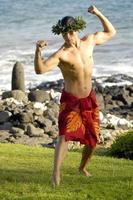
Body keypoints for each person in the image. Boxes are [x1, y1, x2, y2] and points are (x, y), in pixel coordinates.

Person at [34, 5, 116, 186]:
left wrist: (97, 13)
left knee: (93, 139)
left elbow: (111, 32)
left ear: (77, 30)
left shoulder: (90, 41)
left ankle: (82, 168)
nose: (68, 37)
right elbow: (40, 70)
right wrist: (38, 51)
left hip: (89, 99)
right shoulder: (62, 54)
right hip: (71, 101)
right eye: (64, 34)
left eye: (70, 33)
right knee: (64, 135)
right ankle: (55, 172)